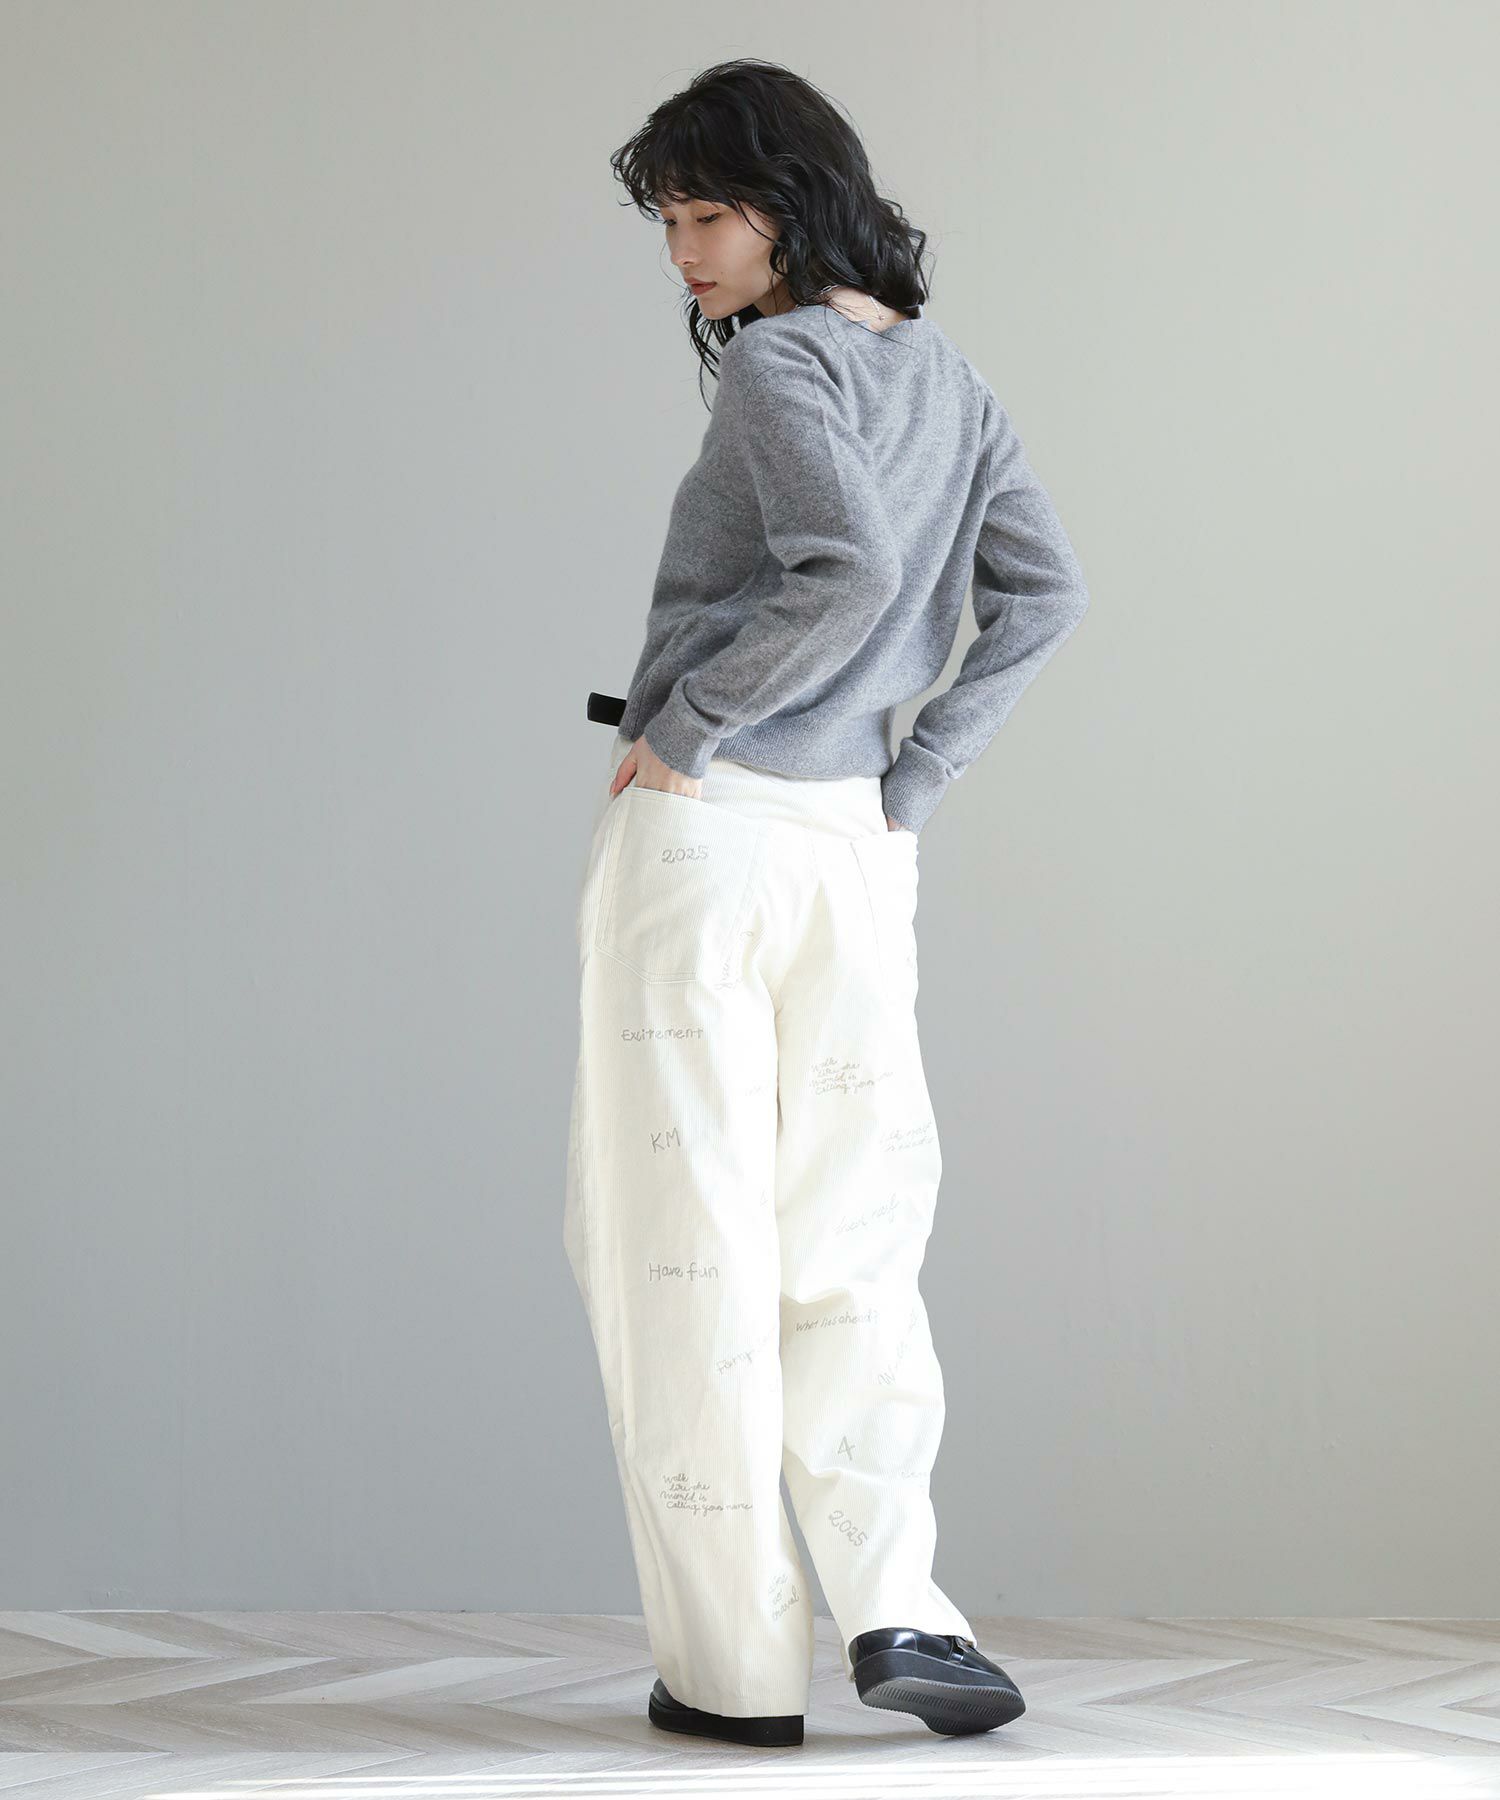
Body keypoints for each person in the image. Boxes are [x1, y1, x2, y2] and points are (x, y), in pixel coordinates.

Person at [564, 57, 1088, 1749]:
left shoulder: (779, 363)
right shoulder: (951, 378)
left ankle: (731, 1674)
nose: (684, 254)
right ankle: (902, 1608)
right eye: (669, 221)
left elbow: (846, 566)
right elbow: (1046, 594)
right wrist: (910, 781)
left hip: (711, 842)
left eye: (707, 215)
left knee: (682, 1240)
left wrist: (689, 729)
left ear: (790, 207)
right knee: (856, 1233)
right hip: (857, 851)